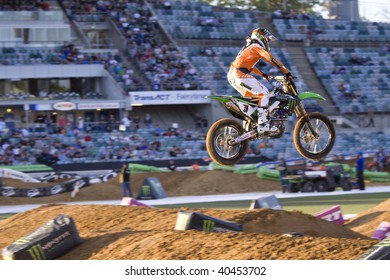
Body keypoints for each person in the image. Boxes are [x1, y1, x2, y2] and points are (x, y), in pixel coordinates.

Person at [227, 27, 293, 133]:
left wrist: (263, 74)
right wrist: (286, 72)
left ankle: (247, 127)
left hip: (232, 75)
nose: (268, 41)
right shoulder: (256, 46)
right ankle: (263, 124)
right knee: (264, 93)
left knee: (252, 100)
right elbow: (271, 59)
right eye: (268, 39)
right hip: (239, 75)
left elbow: (249, 65)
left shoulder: (249, 47)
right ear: (261, 36)